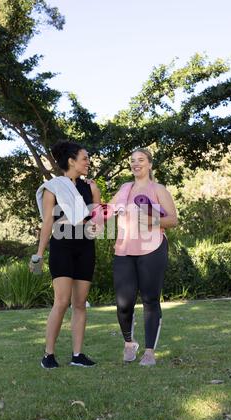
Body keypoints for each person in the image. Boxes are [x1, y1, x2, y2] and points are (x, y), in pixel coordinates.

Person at [30, 140, 101, 369]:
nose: (88, 162)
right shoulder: (54, 187)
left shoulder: (91, 187)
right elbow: (48, 222)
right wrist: (39, 254)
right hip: (62, 247)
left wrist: (94, 224)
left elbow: (98, 221)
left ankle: (77, 355)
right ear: (71, 161)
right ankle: (48, 355)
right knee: (61, 302)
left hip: (85, 247)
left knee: (79, 303)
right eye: (85, 159)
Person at [111, 148, 178, 366]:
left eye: (140, 160)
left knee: (150, 299)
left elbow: (172, 220)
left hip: (153, 248)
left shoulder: (158, 189)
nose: (135, 164)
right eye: (132, 161)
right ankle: (129, 343)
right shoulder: (124, 188)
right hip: (124, 250)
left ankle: (149, 351)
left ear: (149, 164)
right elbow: (107, 210)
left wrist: (149, 221)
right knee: (123, 302)